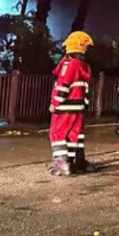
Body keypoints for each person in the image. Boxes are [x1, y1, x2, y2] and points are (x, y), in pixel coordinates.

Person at [49, 31, 94, 176]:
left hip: (65, 107)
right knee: (74, 136)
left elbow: (63, 85)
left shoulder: (69, 65)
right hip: (78, 108)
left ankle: (62, 164)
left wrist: (55, 103)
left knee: (57, 134)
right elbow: (85, 89)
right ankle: (74, 163)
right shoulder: (84, 66)